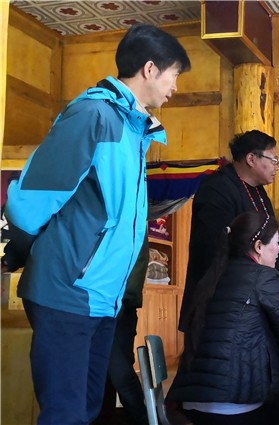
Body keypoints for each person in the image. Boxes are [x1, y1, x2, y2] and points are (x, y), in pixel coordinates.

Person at [1, 24, 190, 425]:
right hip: (68, 292)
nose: (175, 87)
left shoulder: (133, 129)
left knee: (86, 409)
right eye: (174, 75)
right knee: (66, 414)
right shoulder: (93, 116)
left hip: (103, 297)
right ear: (150, 69)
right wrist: (41, 253)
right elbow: (30, 203)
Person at [168, 212, 279, 425]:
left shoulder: (211, 277)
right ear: (259, 246)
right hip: (237, 405)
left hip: (191, 404)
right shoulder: (263, 277)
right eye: (276, 243)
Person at [180, 130, 279, 332]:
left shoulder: (259, 191)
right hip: (222, 300)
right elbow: (214, 248)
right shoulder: (217, 188)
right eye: (273, 160)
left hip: (255, 295)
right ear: (251, 158)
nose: (277, 166)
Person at [98, 239, 150, 425]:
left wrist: (121, 301)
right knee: (105, 373)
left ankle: (140, 419)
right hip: (112, 305)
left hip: (117, 306)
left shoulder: (133, 226)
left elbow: (136, 265)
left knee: (120, 373)